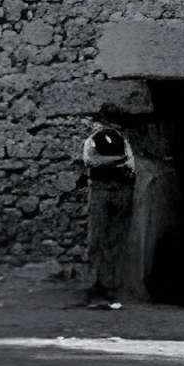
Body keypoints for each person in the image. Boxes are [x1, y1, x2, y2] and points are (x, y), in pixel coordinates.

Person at [81, 116, 135, 303]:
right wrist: (116, 159)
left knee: (116, 239)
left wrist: (112, 161)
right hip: (100, 191)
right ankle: (96, 282)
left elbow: (130, 164)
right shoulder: (92, 141)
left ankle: (113, 283)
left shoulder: (122, 140)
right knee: (97, 238)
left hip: (120, 191)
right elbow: (91, 161)